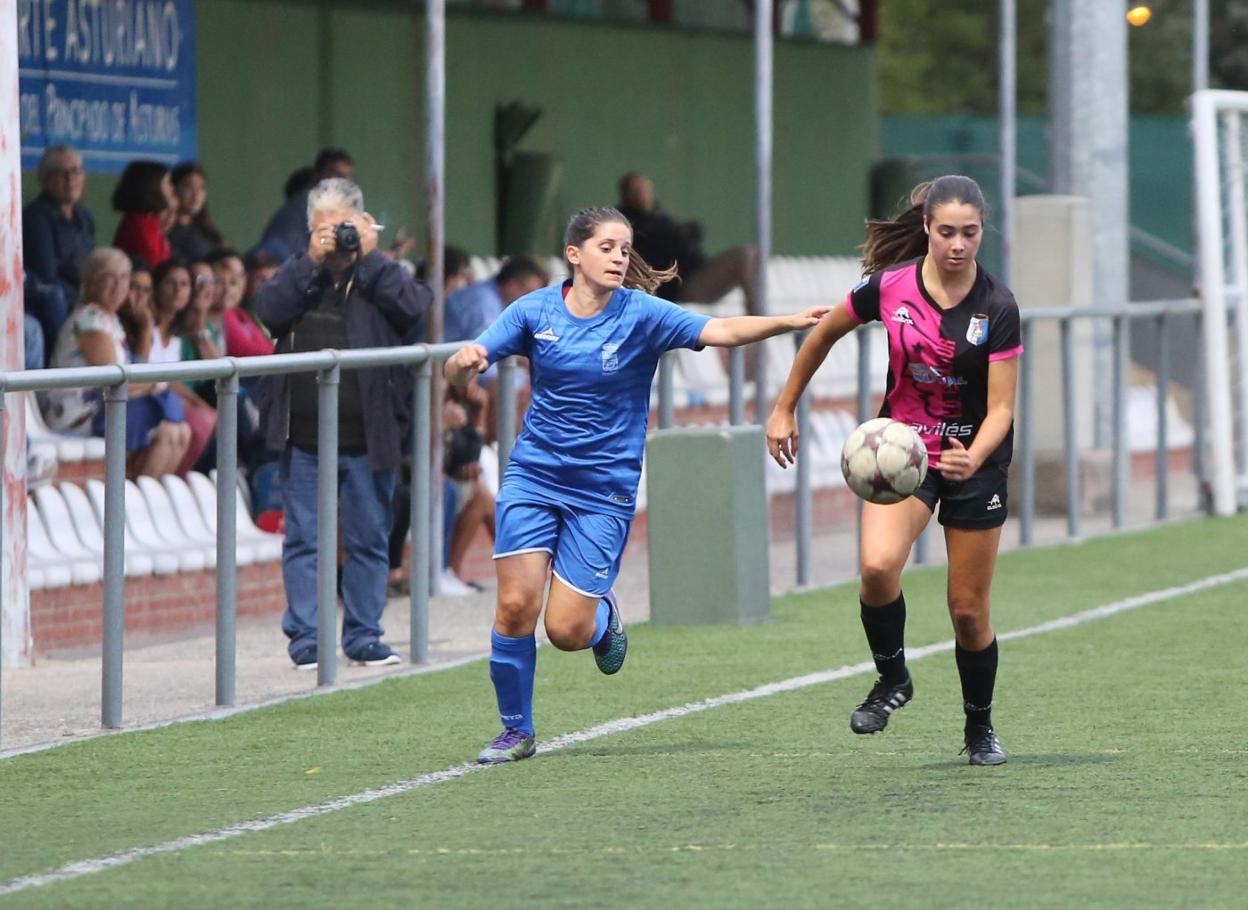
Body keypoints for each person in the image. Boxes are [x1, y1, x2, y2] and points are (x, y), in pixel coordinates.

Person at [444, 206, 831, 764]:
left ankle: (603, 621)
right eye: (607, 247)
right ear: (574, 254)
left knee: (566, 630)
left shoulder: (642, 313)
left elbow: (719, 330)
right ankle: (516, 730)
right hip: (534, 475)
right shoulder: (533, 310)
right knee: (514, 604)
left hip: (603, 488)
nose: (619, 257)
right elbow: (463, 371)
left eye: (625, 249)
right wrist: (463, 363)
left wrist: (788, 321)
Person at [765, 175, 1023, 766]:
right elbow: (823, 334)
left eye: (971, 233)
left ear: (982, 232)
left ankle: (979, 726)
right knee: (878, 569)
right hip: (903, 456)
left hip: (974, 462)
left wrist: (974, 455)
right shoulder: (888, 287)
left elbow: (1003, 407)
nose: (958, 245)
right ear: (927, 230)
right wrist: (783, 407)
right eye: (947, 232)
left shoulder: (998, 305)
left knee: (968, 611)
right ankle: (893, 680)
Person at [255, 177, 431, 671]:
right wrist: (309, 261)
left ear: (364, 222)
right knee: (305, 538)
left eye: (343, 227)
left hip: (368, 433)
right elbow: (267, 311)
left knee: (369, 536)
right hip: (304, 433)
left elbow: (417, 309)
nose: (335, 239)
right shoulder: (300, 273)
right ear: (310, 229)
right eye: (323, 229)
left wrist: (372, 258)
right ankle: (307, 638)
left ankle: (363, 635)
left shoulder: (380, 275)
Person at [40, 248, 191, 478]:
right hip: (81, 415)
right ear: (91, 283)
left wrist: (145, 329)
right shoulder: (90, 320)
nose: (119, 285)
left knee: (182, 431)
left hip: (109, 407)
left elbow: (136, 371)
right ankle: (134, 501)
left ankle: (142, 498)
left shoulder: (111, 320)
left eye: (124, 278)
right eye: (110, 277)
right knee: (168, 430)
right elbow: (116, 384)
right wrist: (151, 386)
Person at [616, 171, 760, 314]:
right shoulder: (628, 226)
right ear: (625, 196)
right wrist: (682, 236)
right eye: (636, 190)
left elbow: (684, 242)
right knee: (745, 256)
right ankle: (758, 323)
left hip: (697, 274)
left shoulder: (658, 216)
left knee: (750, 254)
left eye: (645, 188)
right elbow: (662, 251)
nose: (643, 194)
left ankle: (758, 321)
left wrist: (686, 234)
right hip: (680, 288)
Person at [23, 145, 96, 349]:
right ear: (45, 179)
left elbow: (93, 267)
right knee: (55, 295)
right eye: (61, 173)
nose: (70, 179)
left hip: (84, 296)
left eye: (76, 171)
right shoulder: (36, 217)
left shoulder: (84, 216)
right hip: (53, 300)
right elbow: (47, 275)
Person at [259, 148, 354, 263]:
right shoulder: (315, 203)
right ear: (319, 175)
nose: (344, 182)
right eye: (337, 175)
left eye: (347, 176)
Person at [112, 160, 177, 269]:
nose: (172, 188)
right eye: (167, 183)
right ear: (152, 186)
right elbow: (156, 266)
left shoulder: (149, 222)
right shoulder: (140, 226)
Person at [168, 162, 226, 262]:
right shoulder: (165, 232)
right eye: (189, 186)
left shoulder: (208, 232)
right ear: (174, 189)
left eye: (201, 188)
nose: (196, 194)